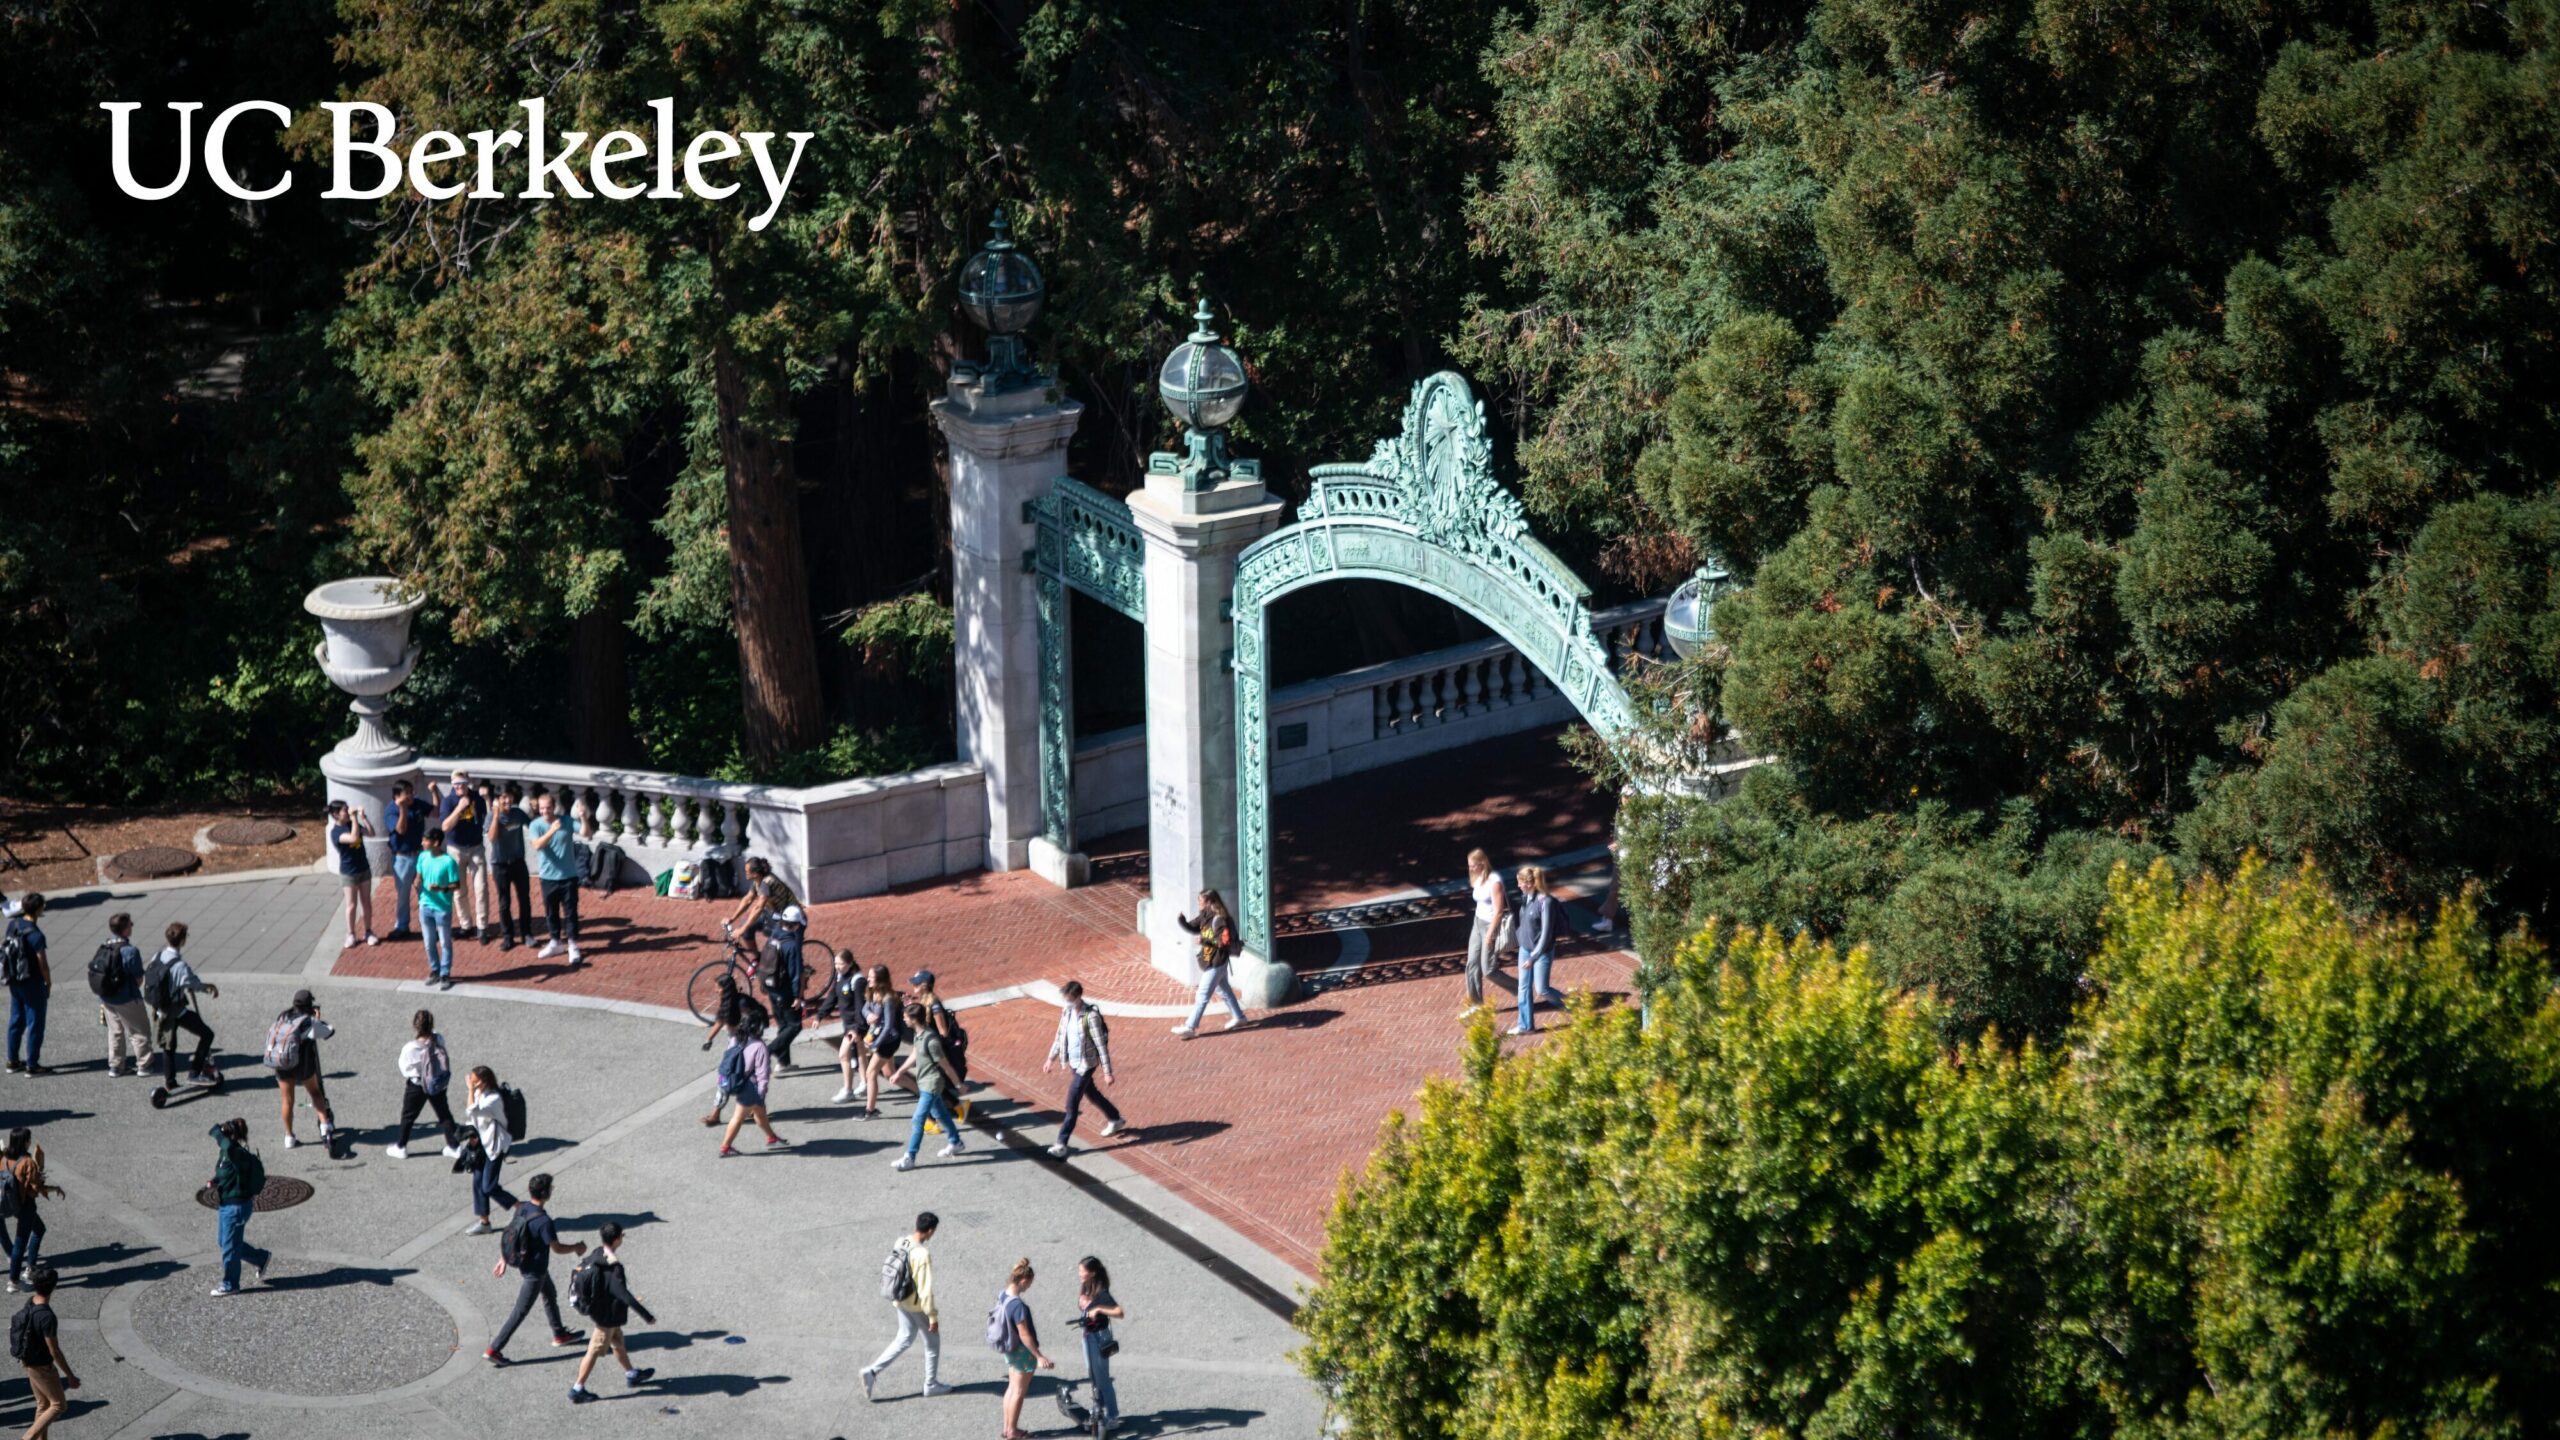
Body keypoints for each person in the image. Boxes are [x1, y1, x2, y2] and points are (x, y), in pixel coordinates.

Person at [486, 1171, 585, 1364]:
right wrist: (576, 1247)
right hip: (535, 1272)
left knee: (550, 1294)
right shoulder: (544, 1222)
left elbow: (513, 1234)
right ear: (546, 1193)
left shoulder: (522, 1208)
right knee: (520, 1311)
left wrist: (504, 1258)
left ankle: (559, 1333)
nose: (553, 1190)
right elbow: (557, 1248)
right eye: (551, 1188)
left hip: (530, 1265)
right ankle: (493, 1349)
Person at [858, 1211, 950, 1400]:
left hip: (899, 1298)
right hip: (915, 1304)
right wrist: (932, 1316)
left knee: (905, 1337)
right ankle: (931, 1384)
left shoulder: (902, 1241)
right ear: (930, 1230)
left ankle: (872, 1371)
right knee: (932, 1343)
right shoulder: (922, 1254)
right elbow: (925, 1290)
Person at [567, 1221, 656, 1402]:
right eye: (622, 1236)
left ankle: (632, 1374)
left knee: (617, 1343)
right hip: (606, 1317)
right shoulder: (613, 1269)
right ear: (617, 1240)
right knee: (593, 1351)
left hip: (605, 1312)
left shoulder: (597, 1253)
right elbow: (624, 1296)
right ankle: (577, 1388)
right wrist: (647, 1316)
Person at [1042, 981, 1124, 1158]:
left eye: (1069, 999)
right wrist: (1050, 1058)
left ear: (1078, 997)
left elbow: (1101, 1046)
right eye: (1066, 999)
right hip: (1073, 1062)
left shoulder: (1091, 1016)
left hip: (1086, 1065)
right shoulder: (1066, 1012)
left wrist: (1107, 1072)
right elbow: (1059, 1037)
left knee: (1071, 1105)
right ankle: (1115, 1118)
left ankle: (1061, 1143)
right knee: (1091, 1093)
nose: (1067, 1002)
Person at [888, 1001, 964, 1171]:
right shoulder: (919, 1034)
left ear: (914, 1019)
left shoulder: (931, 1041)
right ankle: (955, 1141)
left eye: (905, 1017)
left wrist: (959, 1084)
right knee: (940, 1113)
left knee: (918, 1119)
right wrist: (900, 1072)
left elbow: (945, 1065)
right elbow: (915, 1054)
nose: (903, 1019)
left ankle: (910, 1157)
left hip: (932, 1084)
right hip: (924, 1082)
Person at [10, 1265, 78, 1440]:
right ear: (54, 1287)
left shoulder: (31, 1302)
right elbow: (54, 1350)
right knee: (58, 1405)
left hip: (27, 1361)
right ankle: (28, 1438)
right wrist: (69, 1375)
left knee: (43, 1404)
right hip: (41, 1366)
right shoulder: (47, 1316)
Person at [149, 923, 220, 1089]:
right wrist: (209, 987)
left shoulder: (157, 956)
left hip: (160, 1008)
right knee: (207, 1034)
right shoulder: (180, 966)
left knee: (168, 1045)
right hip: (176, 1009)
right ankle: (194, 1073)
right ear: (182, 941)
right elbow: (193, 983)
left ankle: (170, 1082)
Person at [207, 1118, 272, 1296]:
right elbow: (225, 1171)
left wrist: (217, 1133)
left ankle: (230, 1283)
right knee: (225, 1241)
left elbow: (227, 1147)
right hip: (226, 1205)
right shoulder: (226, 1153)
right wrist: (215, 1181)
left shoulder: (236, 1152)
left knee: (229, 1247)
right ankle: (261, 1258)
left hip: (236, 1208)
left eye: (222, 1137)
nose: (219, 1141)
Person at [267, 989, 337, 1150]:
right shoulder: (308, 1022)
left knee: (287, 1100)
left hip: (282, 1062)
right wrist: (316, 1019)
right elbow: (329, 1031)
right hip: (302, 1064)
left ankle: (289, 1136)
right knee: (315, 1092)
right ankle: (325, 1126)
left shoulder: (282, 1017)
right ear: (309, 1005)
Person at [993, 1257, 1056, 1440]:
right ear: (1023, 1281)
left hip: (1009, 1348)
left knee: (1012, 1388)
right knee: (1019, 1392)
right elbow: (1025, 1335)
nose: (1029, 1286)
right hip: (1022, 1351)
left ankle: (1007, 1427)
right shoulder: (1017, 1305)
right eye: (1029, 1283)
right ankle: (1013, 1431)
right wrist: (1039, 1356)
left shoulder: (1003, 1294)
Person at [385, 1009, 460, 1160]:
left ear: (415, 1026)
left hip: (417, 1085)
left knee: (408, 1116)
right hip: (436, 1083)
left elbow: (405, 1069)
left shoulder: (410, 1048)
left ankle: (401, 1146)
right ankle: (454, 1146)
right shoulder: (438, 1039)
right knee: (444, 1114)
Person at [1171, 889, 1246, 1039]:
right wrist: (1182, 921)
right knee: (1224, 991)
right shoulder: (1205, 916)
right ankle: (1239, 1017)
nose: (1199, 904)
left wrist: (1205, 941)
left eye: (1201, 901)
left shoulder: (1219, 920)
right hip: (1210, 959)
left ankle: (1190, 1027)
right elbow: (1193, 927)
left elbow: (1223, 942)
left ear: (1210, 902)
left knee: (1202, 994)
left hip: (1217, 962)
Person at [715, 1015, 788, 1156]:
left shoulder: (735, 1039)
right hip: (751, 1087)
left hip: (737, 1081)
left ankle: (772, 1137)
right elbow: (763, 1072)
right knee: (738, 1117)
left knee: (760, 1112)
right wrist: (762, 1089)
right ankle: (725, 1147)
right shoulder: (759, 1046)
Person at [527, 793, 587, 965]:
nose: (545, 811)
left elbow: (585, 832)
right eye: (542, 808)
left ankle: (573, 944)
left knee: (570, 912)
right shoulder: (535, 825)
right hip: (548, 877)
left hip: (568, 876)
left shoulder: (566, 821)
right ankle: (555, 942)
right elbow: (537, 845)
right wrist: (552, 830)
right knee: (551, 912)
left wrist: (583, 818)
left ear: (554, 807)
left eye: (548, 807)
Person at [96, 912, 158, 1077]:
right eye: (130, 924)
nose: (133, 925)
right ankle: (144, 1065)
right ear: (124, 929)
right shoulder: (130, 951)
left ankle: (116, 1066)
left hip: (107, 997)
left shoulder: (104, 946)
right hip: (127, 997)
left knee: (115, 1031)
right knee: (139, 1030)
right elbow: (138, 978)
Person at [1510, 864, 1569, 1036]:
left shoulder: (1546, 902)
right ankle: (1526, 1025)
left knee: (1542, 989)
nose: (1518, 886)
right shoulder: (1526, 898)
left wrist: (1534, 956)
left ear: (1529, 883)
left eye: (1520, 883)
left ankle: (1573, 1005)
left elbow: (1546, 933)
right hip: (1525, 949)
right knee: (1523, 987)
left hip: (1541, 952)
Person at [434, 770, 490, 941]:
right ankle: (466, 925)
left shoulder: (476, 798)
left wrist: (487, 799)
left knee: (481, 889)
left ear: (468, 783)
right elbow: (445, 827)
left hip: (476, 848)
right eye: (456, 784)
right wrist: (459, 807)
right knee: (459, 891)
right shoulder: (448, 801)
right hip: (456, 850)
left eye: (462, 783)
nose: (459, 787)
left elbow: (488, 817)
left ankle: (482, 927)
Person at [1076, 1255, 1127, 1433]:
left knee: (1103, 1378)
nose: (1080, 1274)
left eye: (1082, 1271)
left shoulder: (1101, 1292)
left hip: (1099, 1336)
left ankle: (1112, 1416)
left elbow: (1119, 1312)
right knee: (1093, 1375)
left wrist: (1098, 1309)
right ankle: (1098, 1409)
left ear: (1092, 1273)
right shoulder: (1086, 1285)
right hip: (1088, 1335)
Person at [463, 1066, 516, 1234]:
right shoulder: (481, 1094)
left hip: (495, 1146)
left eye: (473, 1081)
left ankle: (520, 1206)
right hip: (482, 1144)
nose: (470, 1083)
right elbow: (472, 1117)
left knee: (488, 1186)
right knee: (478, 1183)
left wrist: (470, 1090)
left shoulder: (493, 1099)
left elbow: (471, 1110)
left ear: (483, 1081)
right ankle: (484, 1222)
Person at [4, 892, 51, 1075]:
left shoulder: (13, 924)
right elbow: (43, 964)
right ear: (39, 909)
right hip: (32, 982)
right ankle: (32, 1065)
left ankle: (13, 1061)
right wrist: (48, 982)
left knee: (16, 1019)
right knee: (35, 1023)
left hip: (15, 979)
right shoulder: (36, 935)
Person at [810, 949, 864, 1104]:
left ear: (850, 963)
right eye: (836, 963)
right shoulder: (840, 978)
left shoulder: (858, 981)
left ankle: (848, 1090)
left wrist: (857, 1028)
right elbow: (831, 998)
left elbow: (860, 1006)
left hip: (855, 1025)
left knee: (843, 1055)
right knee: (860, 1053)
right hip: (848, 1024)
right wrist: (820, 1015)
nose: (837, 966)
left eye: (840, 963)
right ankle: (865, 1083)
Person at [5, 1147, 59, 1295]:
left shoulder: (6, 1158)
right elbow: (36, 1188)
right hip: (26, 1206)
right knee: (20, 1243)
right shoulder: (26, 1161)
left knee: (37, 1230)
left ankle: (27, 1270)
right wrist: (53, 1187)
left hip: (12, 1204)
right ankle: (16, 1279)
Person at [327, 799, 380, 950]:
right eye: (345, 810)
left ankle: (368, 931)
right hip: (349, 872)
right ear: (336, 814)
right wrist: (354, 819)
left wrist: (363, 817)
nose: (348, 811)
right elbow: (353, 838)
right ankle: (351, 933)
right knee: (351, 905)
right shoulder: (336, 832)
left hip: (363, 868)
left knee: (366, 902)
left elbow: (371, 833)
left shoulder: (353, 823)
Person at [757, 907, 806, 1069]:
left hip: (772, 988)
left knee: (783, 1025)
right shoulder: (791, 945)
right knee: (794, 1025)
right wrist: (798, 996)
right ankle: (768, 1051)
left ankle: (784, 1062)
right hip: (785, 992)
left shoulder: (774, 935)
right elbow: (795, 973)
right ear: (795, 925)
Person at [486, 785, 532, 953]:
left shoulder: (518, 814)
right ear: (497, 800)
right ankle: (508, 937)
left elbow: (532, 826)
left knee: (524, 899)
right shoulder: (491, 816)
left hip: (518, 862)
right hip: (500, 865)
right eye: (503, 797)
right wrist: (497, 815)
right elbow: (491, 837)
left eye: (509, 797)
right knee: (504, 902)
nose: (507, 800)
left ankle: (527, 934)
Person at [384, 777, 431, 940]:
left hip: (419, 855)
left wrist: (434, 792)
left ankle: (428, 925)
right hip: (402, 859)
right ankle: (402, 927)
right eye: (407, 793)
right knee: (403, 895)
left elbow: (436, 812)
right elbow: (400, 830)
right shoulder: (391, 811)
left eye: (412, 792)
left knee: (424, 892)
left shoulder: (417, 804)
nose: (411, 796)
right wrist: (403, 809)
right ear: (397, 796)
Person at [851, 965, 902, 1114]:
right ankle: (921, 1091)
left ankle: (870, 1111)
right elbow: (865, 1008)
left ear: (880, 980)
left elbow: (888, 1026)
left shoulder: (888, 999)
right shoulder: (874, 993)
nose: (868, 979)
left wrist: (874, 1046)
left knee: (870, 1073)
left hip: (888, 1041)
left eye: (871, 977)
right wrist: (868, 1016)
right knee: (890, 1074)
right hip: (881, 1038)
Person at [416, 828, 461, 989]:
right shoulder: (422, 856)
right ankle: (435, 970)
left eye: (425, 840)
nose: (422, 843)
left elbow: (456, 885)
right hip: (425, 905)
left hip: (442, 908)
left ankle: (445, 973)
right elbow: (419, 875)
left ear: (436, 843)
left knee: (445, 942)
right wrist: (417, 882)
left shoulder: (449, 862)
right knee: (428, 942)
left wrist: (441, 888)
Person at [1462, 847, 1505, 1013]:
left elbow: (1499, 911)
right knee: (1472, 964)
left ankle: (1520, 989)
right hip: (1477, 922)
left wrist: (1490, 933)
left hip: (1490, 924)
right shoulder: (1477, 878)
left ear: (1482, 863)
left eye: (1473, 865)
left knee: (1488, 970)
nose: (1471, 869)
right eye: (1469, 866)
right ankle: (1476, 1004)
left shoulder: (1494, 881)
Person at [723, 855, 796, 947]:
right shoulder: (757, 880)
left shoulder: (766, 883)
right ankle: (756, 959)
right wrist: (732, 918)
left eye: (747, 871)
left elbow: (758, 908)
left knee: (771, 949)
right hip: (771, 913)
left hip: (786, 917)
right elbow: (747, 899)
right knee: (746, 926)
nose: (745, 873)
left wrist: (742, 929)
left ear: (755, 873)